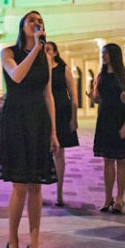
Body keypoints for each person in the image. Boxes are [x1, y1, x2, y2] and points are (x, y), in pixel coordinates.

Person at [0, 10, 58, 248]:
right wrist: (35, 49)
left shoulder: (46, 56)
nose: (36, 23)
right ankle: (12, 240)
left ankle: (34, 244)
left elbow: (48, 95)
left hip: (38, 121)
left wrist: (53, 132)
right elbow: (17, 76)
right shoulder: (8, 52)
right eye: (32, 20)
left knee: (36, 185)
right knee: (20, 185)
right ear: (22, 26)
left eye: (40, 20)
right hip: (16, 119)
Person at [91, 43, 125, 215]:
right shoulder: (101, 75)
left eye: (106, 53)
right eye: (102, 53)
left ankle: (120, 198)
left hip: (120, 118)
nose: (103, 56)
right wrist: (94, 97)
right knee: (107, 160)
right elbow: (99, 98)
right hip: (105, 119)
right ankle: (107, 197)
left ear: (114, 55)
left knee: (121, 159)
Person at [44, 41, 78, 207]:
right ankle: (40, 189)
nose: (46, 52)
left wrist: (74, 118)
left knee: (59, 153)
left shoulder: (64, 69)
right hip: (43, 112)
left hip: (62, 112)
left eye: (49, 49)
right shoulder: (40, 69)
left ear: (55, 52)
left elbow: (74, 95)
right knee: (42, 151)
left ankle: (59, 192)